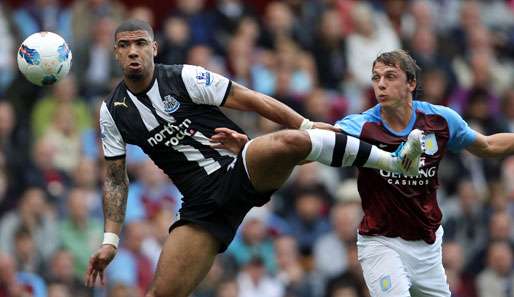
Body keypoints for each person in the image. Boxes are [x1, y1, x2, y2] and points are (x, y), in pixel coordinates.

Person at [84, 20, 424, 297]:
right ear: (115, 53)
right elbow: (115, 178)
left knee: (290, 140)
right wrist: (110, 241)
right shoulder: (113, 113)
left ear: (153, 48)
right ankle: (326, 143)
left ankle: (394, 160)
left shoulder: (183, 77)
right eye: (125, 45)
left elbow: (249, 99)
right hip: (201, 206)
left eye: (140, 43)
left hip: (238, 166)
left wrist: (304, 123)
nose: (133, 51)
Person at [215, 49, 514, 297]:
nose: (380, 84)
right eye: (375, 78)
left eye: (390, 76)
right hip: (381, 242)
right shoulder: (359, 126)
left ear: (411, 83)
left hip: (428, 246)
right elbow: (304, 150)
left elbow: (487, 145)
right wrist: (252, 149)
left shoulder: (441, 120)